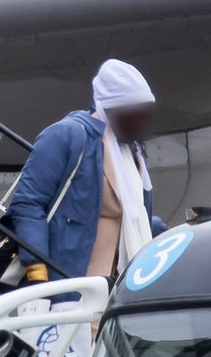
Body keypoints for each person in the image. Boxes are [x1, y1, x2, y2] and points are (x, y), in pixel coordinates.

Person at [9, 58, 158, 286]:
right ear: (111, 109)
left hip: (118, 284)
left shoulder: (133, 151)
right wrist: (37, 266)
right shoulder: (66, 135)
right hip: (67, 279)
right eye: (136, 115)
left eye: (146, 116)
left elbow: (135, 216)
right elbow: (28, 203)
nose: (142, 125)